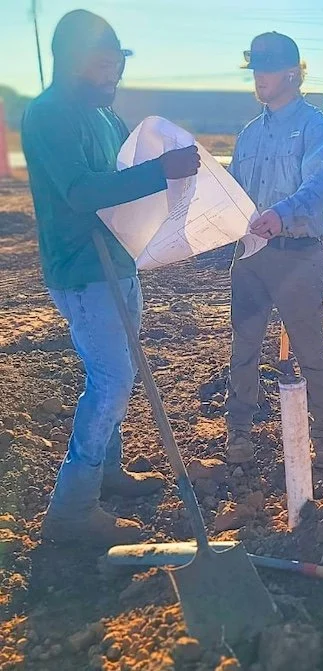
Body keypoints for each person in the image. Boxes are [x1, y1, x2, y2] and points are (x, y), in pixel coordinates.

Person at [22, 10, 200, 546]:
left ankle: (107, 472)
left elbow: (121, 179)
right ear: (73, 61)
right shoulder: (50, 114)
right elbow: (80, 191)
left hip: (117, 260)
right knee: (113, 379)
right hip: (82, 268)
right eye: (104, 64)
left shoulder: (105, 116)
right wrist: (160, 171)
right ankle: (72, 509)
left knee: (114, 372)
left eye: (118, 64)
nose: (114, 75)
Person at [224, 32, 323, 467]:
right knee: (244, 349)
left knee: (311, 350)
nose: (258, 78)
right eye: (254, 69)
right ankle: (238, 433)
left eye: (266, 69)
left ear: (292, 73)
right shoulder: (249, 135)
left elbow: (319, 186)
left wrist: (281, 214)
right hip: (251, 257)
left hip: (297, 256)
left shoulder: (316, 128)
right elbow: (235, 191)